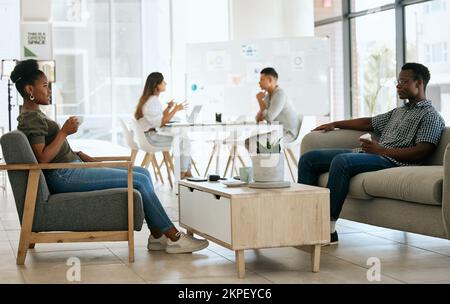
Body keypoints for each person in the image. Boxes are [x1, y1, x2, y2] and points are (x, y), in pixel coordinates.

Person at [11, 59, 208, 254]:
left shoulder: (36, 114)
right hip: (65, 175)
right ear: (29, 90)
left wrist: (76, 154)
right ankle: (173, 237)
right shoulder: (31, 118)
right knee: (137, 179)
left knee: (142, 172)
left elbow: (50, 150)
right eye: (45, 86)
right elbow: (43, 159)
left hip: (71, 167)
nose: (49, 90)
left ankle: (157, 236)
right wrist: (64, 132)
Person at [298, 62, 445, 245]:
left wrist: (381, 150)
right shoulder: (399, 112)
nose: (399, 86)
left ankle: (327, 230)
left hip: (394, 161)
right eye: (397, 81)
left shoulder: (431, 116)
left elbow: (421, 153)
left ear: (419, 83)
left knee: (342, 161)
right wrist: (335, 124)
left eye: (404, 82)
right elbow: (369, 123)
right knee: (309, 159)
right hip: (374, 154)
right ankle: (304, 223)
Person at [135, 72, 193, 179]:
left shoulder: (150, 99)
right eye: (163, 82)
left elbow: (160, 118)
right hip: (151, 138)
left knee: (184, 139)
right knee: (184, 141)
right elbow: (161, 123)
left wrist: (169, 108)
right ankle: (183, 174)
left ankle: (187, 172)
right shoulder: (152, 101)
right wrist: (175, 109)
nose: (165, 83)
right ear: (157, 85)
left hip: (149, 136)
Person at [246, 67, 301, 153]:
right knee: (249, 142)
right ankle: (264, 165)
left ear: (270, 79)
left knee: (251, 143)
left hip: (288, 134)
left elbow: (268, 118)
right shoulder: (268, 96)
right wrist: (261, 106)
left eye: (262, 79)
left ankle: (266, 164)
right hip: (278, 132)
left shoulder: (280, 94)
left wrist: (260, 101)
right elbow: (259, 118)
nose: (259, 82)